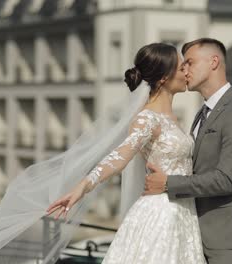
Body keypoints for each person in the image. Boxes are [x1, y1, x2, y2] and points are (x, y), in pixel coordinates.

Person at [47, 43, 206, 263]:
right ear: (163, 78)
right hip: (162, 215)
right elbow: (120, 156)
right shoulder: (147, 118)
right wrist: (82, 187)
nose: (187, 72)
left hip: (184, 214)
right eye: (181, 68)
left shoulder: (172, 118)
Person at [143, 38, 232, 264]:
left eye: (189, 63)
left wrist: (169, 183)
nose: (184, 70)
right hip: (196, 236)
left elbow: (225, 180)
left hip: (230, 240)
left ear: (214, 62)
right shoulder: (204, 112)